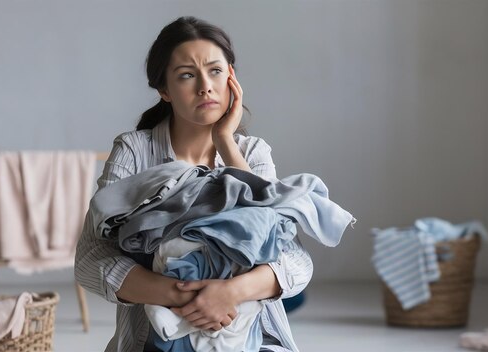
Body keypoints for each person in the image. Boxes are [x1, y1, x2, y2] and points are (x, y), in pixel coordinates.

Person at [75, 16, 313, 352]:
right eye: (187, 75)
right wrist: (182, 295)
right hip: (154, 341)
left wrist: (226, 143)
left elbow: (293, 258)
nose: (205, 86)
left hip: (249, 339)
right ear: (164, 90)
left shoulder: (253, 152)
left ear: (232, 77)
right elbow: (91, 258)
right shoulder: (134, 149)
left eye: (215, 71)